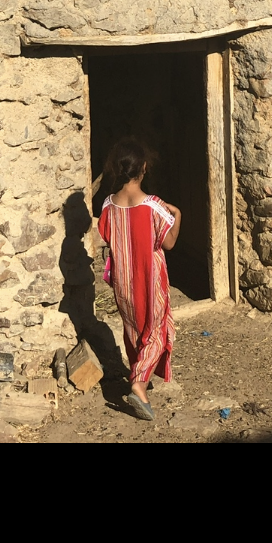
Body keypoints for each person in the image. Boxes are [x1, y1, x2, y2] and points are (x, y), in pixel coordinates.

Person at [95, 136, 180, 423]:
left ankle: (138, 372)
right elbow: (169, 243)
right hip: (150, 280)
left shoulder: (108, 206)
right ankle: (139, 384)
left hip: (123, 282)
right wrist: (178, 215)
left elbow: (106, 235)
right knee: (156, 330)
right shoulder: (154, 206)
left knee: (133, 329)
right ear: (143, 167)